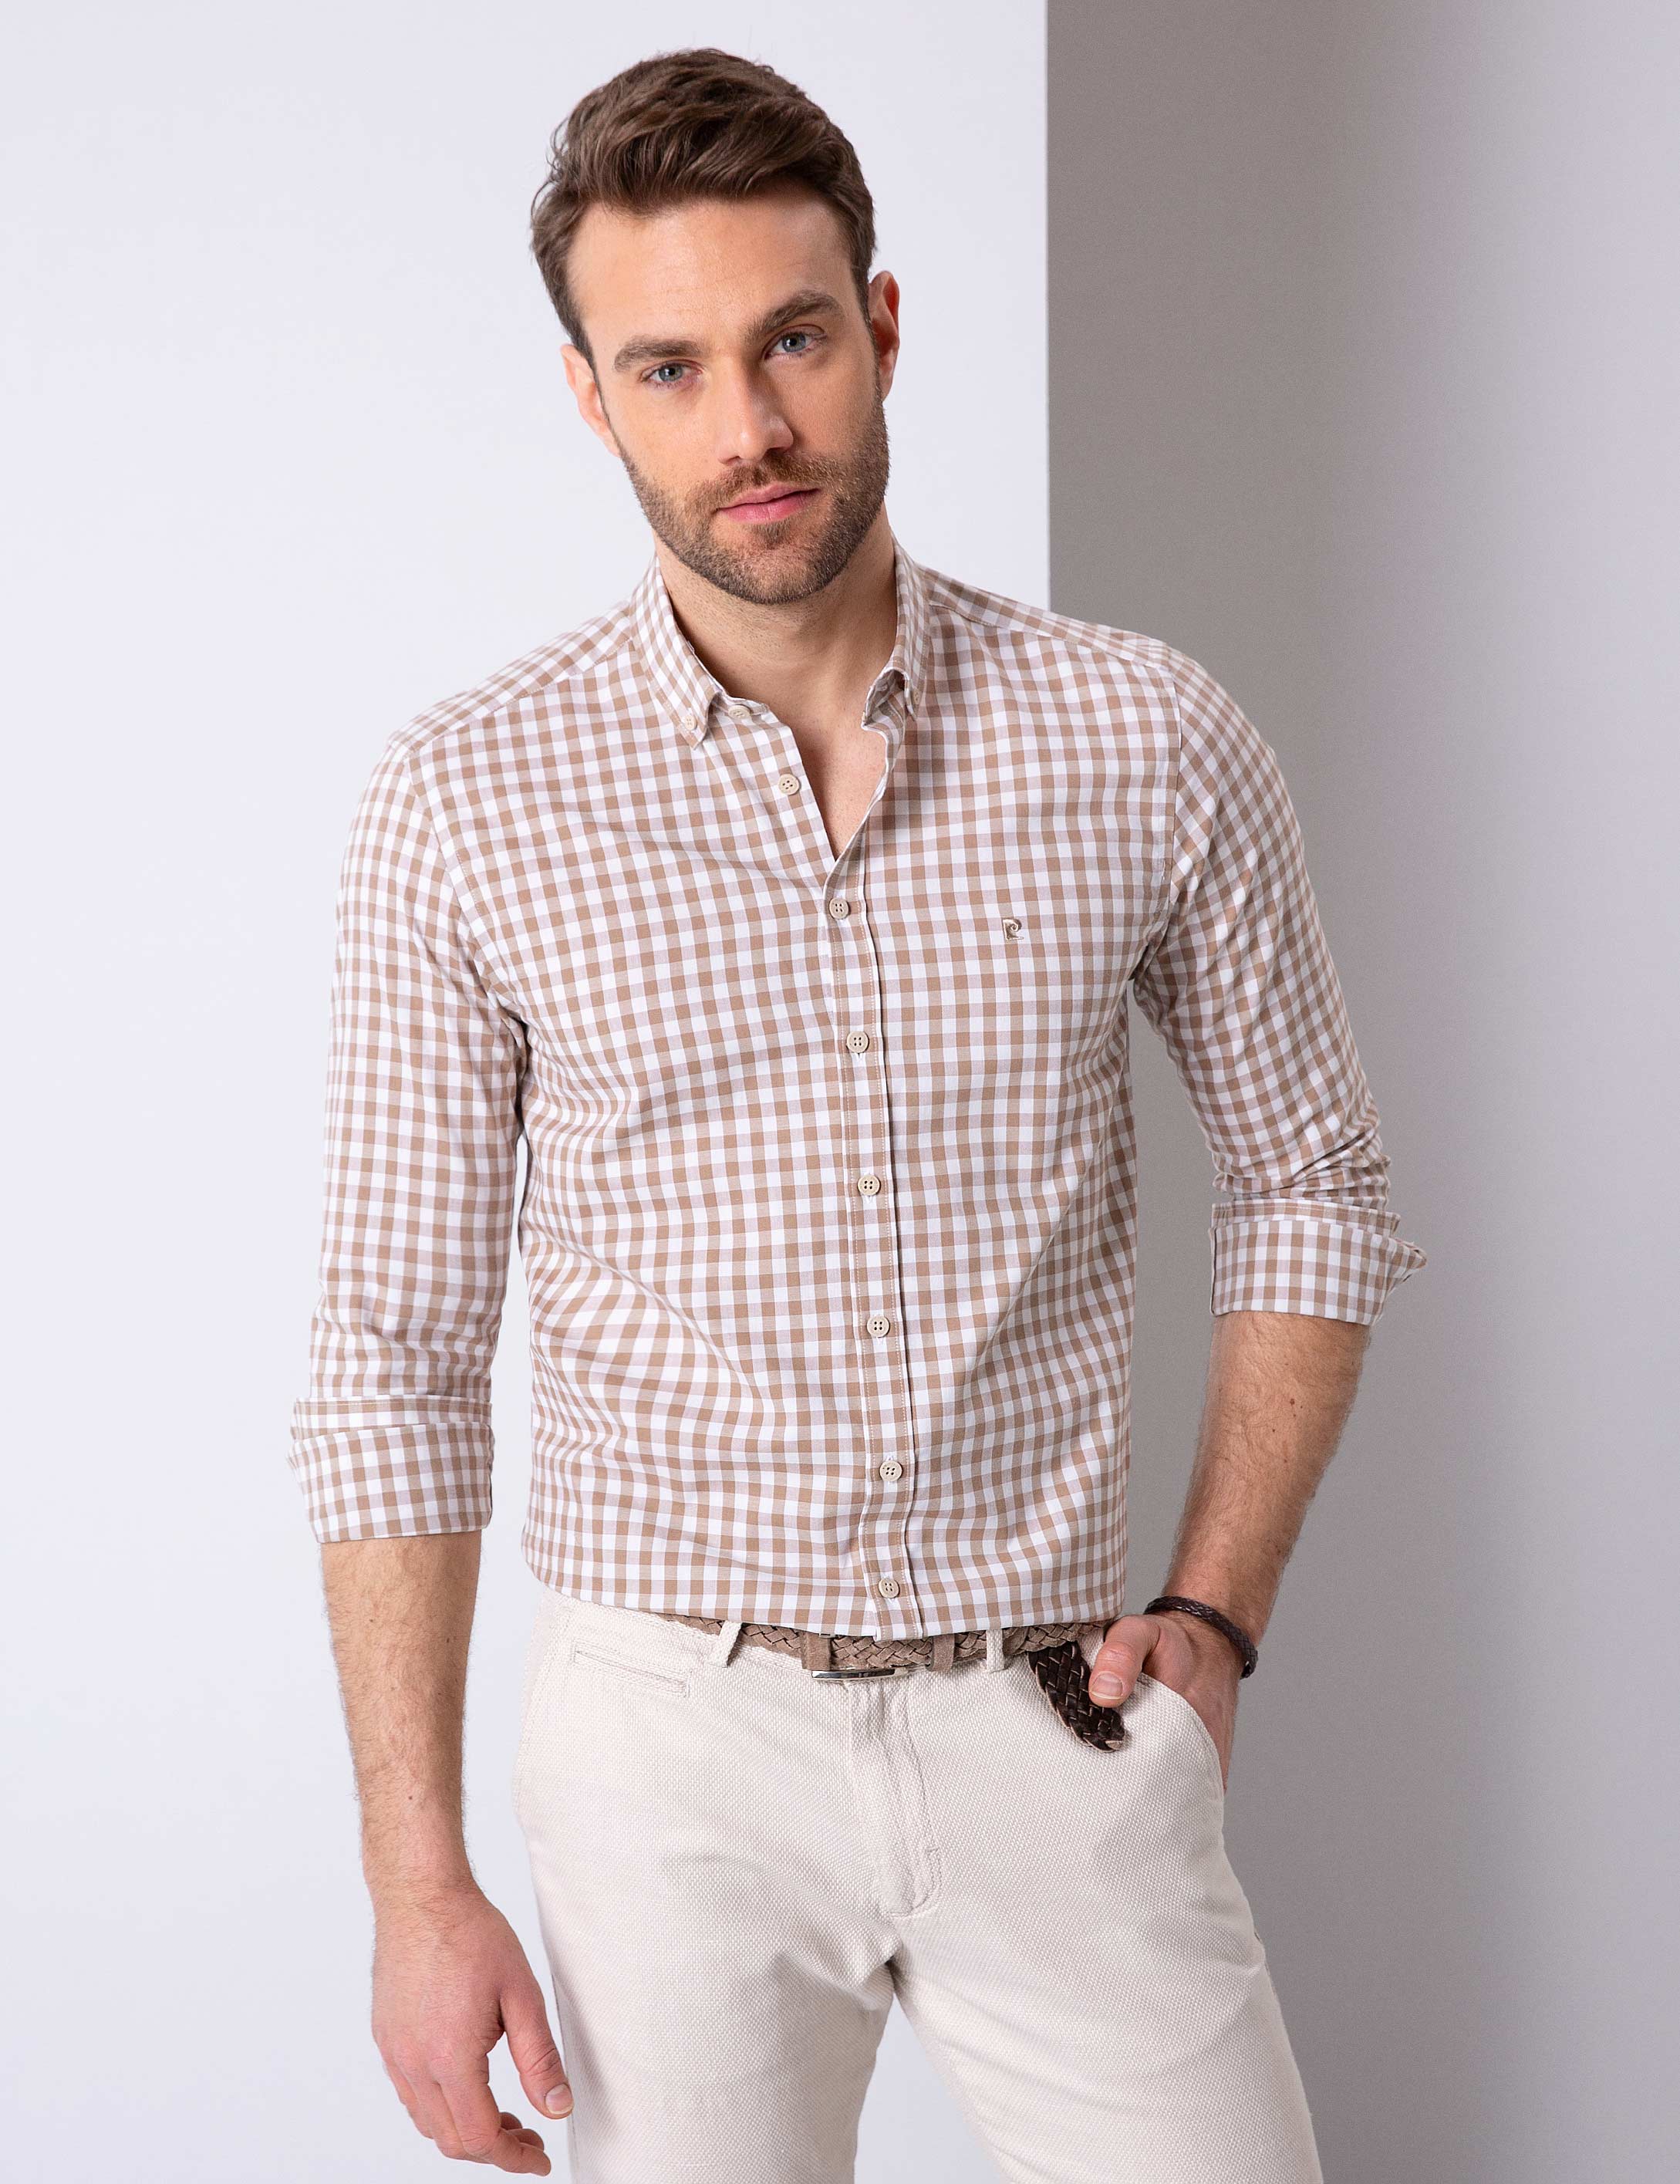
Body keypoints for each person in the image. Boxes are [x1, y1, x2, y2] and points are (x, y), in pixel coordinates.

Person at [288, 45, 1425, 2184]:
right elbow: (395, 1359)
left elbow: (1315, 1184)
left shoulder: (1145, 738)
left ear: (882, 327)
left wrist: (1215, 1618)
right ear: (591, 399)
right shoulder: (465, 806)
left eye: (791, 338)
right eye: (670, 367)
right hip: (672, 1757)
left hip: (1056, 1725)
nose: (749, 426)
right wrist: (415, 1881)